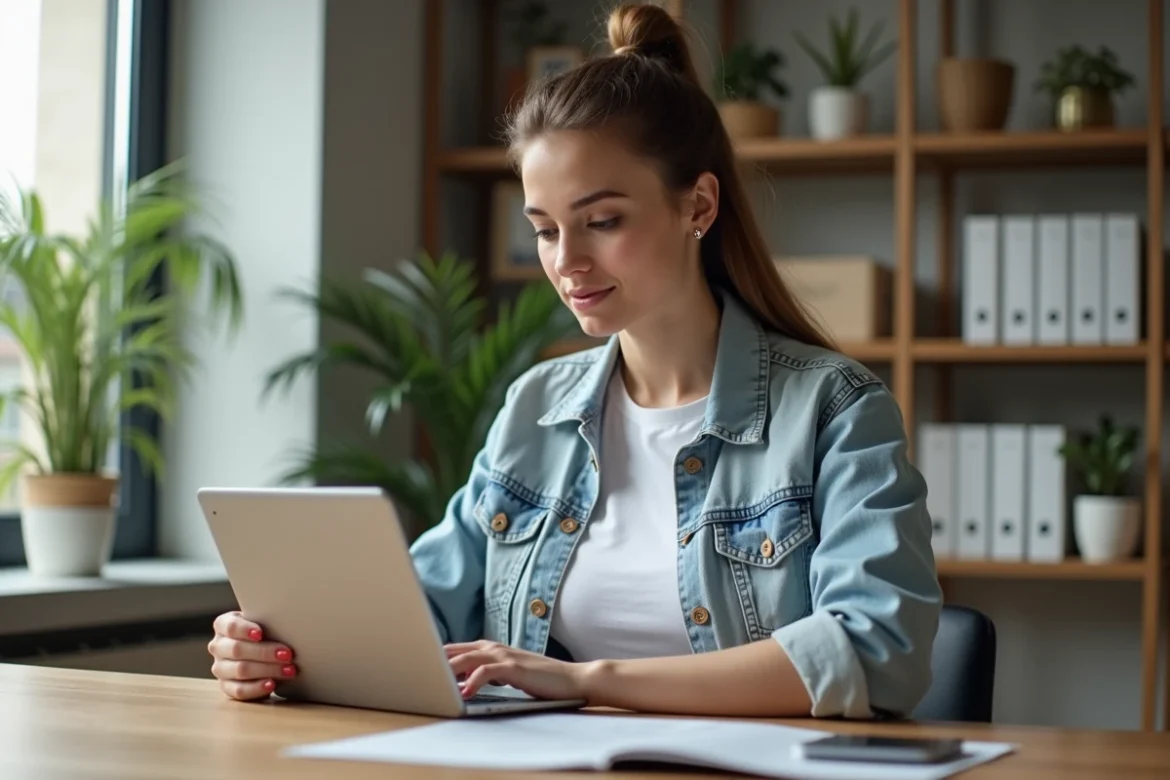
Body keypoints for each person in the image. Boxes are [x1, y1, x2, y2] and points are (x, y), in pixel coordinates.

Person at [208, 3, 942, 720]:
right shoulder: (537, 408)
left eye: (602, 221)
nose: (567, 262)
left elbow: (875, 649)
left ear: (698, 206)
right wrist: (277, 649)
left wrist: (586, 681)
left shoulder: (835, 410)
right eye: (546, 230)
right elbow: (419, 611)